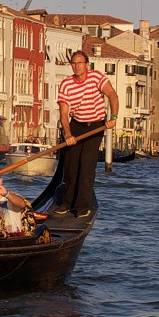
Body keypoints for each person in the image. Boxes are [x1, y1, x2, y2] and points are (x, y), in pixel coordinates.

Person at [56, 50, 119, 218]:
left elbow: (112, 95)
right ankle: (67, 202)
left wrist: (113, 117)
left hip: (96, 126)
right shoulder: (66, 84)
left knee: (86, 165)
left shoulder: (96, 77)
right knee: (71, 165)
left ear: (86, 65)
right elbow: (64, 114)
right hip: (76, 125)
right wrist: (68, 135)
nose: (76, 66)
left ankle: (82, 205)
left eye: (79, 63)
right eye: (74, 63)